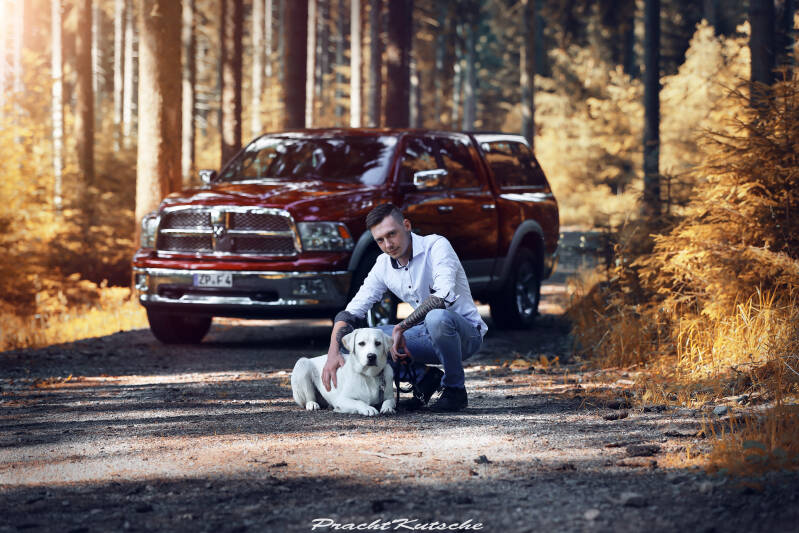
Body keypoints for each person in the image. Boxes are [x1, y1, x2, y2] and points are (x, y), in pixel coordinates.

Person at [321, 203, 487, 412]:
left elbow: (442, 297)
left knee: (437, 318)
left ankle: (455, 391)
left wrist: (401, 327)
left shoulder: (436, 246)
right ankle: (425, 379)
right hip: (423, 335)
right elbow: (351, 312)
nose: (388, 244)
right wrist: (332, 353)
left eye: (392, 234)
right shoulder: (382, 264)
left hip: (465, 335)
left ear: (406, 225)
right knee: (356, 341)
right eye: (380, 240)